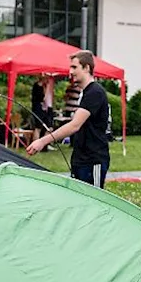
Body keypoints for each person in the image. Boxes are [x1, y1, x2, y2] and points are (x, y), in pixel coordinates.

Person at [26, 51, 111, 188]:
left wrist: (42, 141)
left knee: (91, 205)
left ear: (87, 68)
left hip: (93, 160)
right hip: (80, 159)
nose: (70, 71)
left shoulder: (95, 92)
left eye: (74, 67)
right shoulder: (85, 92)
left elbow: (74, 125)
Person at [30, 74, 54, 140]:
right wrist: (47, 90)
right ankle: (36, 143)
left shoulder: (44, 86)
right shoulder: (38, 87)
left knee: (49, 127)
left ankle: (43, 143)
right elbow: (43, 98)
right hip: (38, 109)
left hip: (45, 108)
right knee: (38, 127)